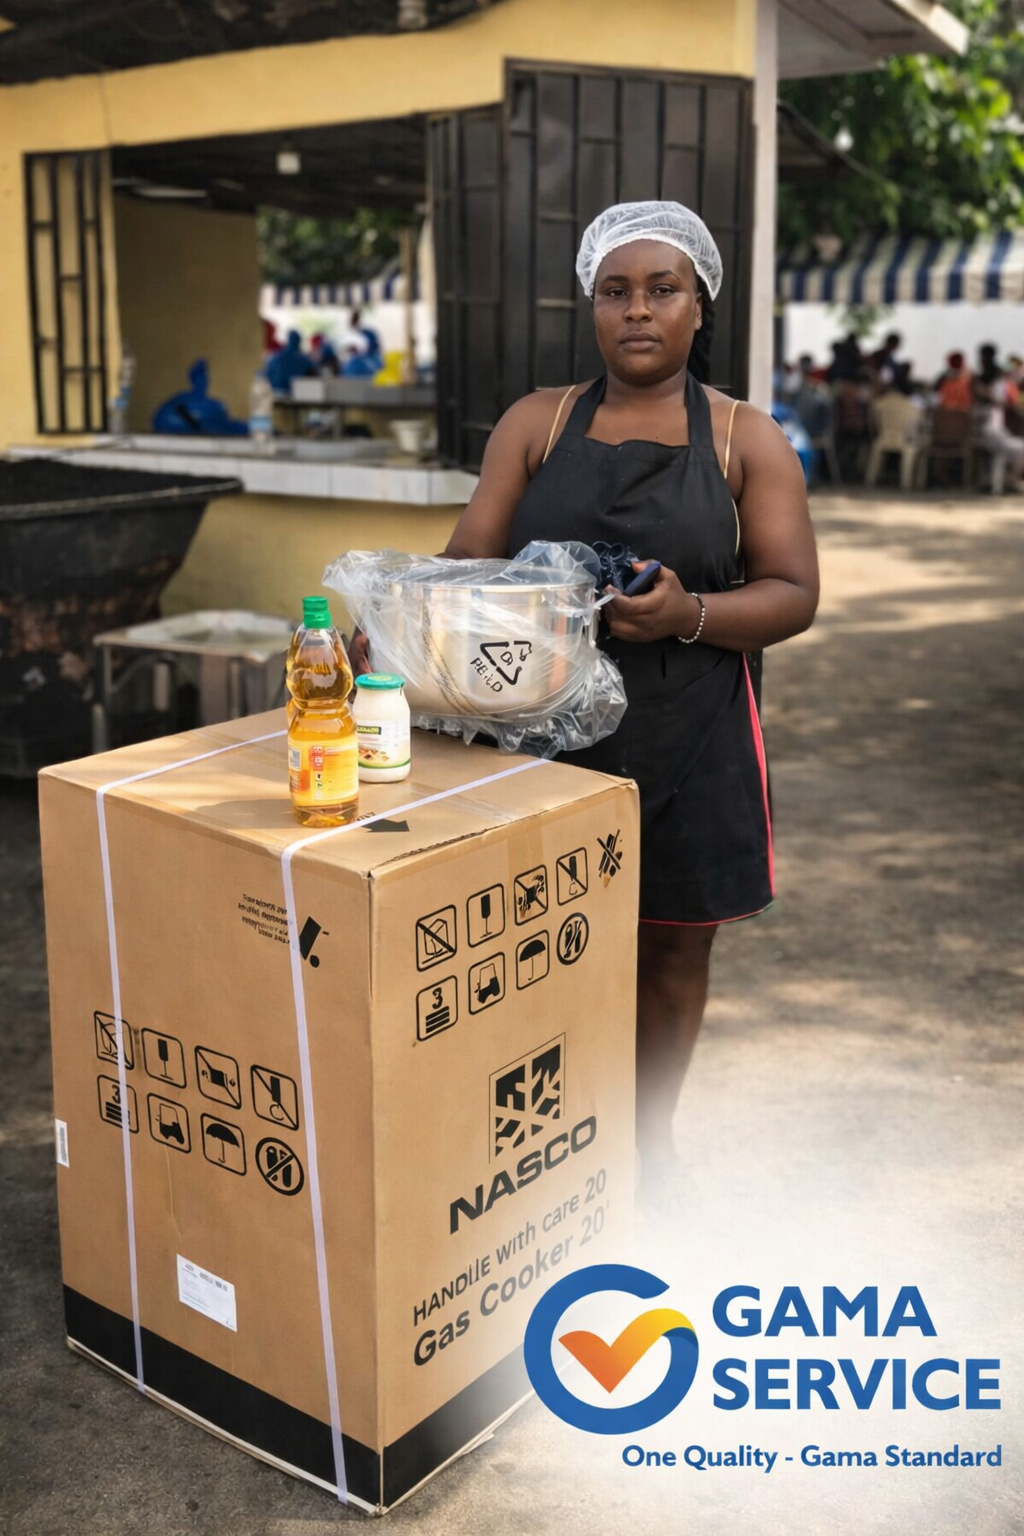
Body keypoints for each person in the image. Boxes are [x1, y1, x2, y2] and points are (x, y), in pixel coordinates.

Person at [435, 201, 819, 1203]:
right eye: (615, 291)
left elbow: (791, 593)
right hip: (535, 738)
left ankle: (650, 1146)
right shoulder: (538, 422)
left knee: (668, 952)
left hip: (688, 728)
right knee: (533, 952)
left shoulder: (745, 438)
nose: (636, 311)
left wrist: (690, 613)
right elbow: (467, 561)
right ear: (591, 306)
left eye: (662, 291)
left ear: (700, 309)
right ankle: (545, 1143)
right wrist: (385, 626)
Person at [974, 344, 1024, 494]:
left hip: (994, 428)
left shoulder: (992, 381)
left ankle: (1007, 480)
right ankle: (1006, 481)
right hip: (989, 429)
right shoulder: (983, 383)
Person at [151, 358, 248, 436]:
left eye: (204, 377)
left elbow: (224, 423)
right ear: (192, 379)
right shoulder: (182, 399)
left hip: (217, 427)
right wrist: (194, 424)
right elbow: (161, 419)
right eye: (199, 377)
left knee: (238, 427)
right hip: (189, 429)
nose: (202, 382)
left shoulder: (215, 405)